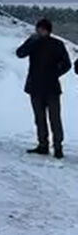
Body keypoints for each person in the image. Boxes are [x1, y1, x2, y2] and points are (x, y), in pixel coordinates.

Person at [15, 18, 71, 159]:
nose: (39, 31)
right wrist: (30, 41)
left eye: (42, 29)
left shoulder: (57, 44)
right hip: (35, 87)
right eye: (38, 29)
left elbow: (67, 64)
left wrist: (55, 74)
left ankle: (58, 148)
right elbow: (20, 53)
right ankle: (43, 145)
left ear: (48, 30)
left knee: (55, 119)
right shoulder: (33, 43)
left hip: (51, 88)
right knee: (39, 118)